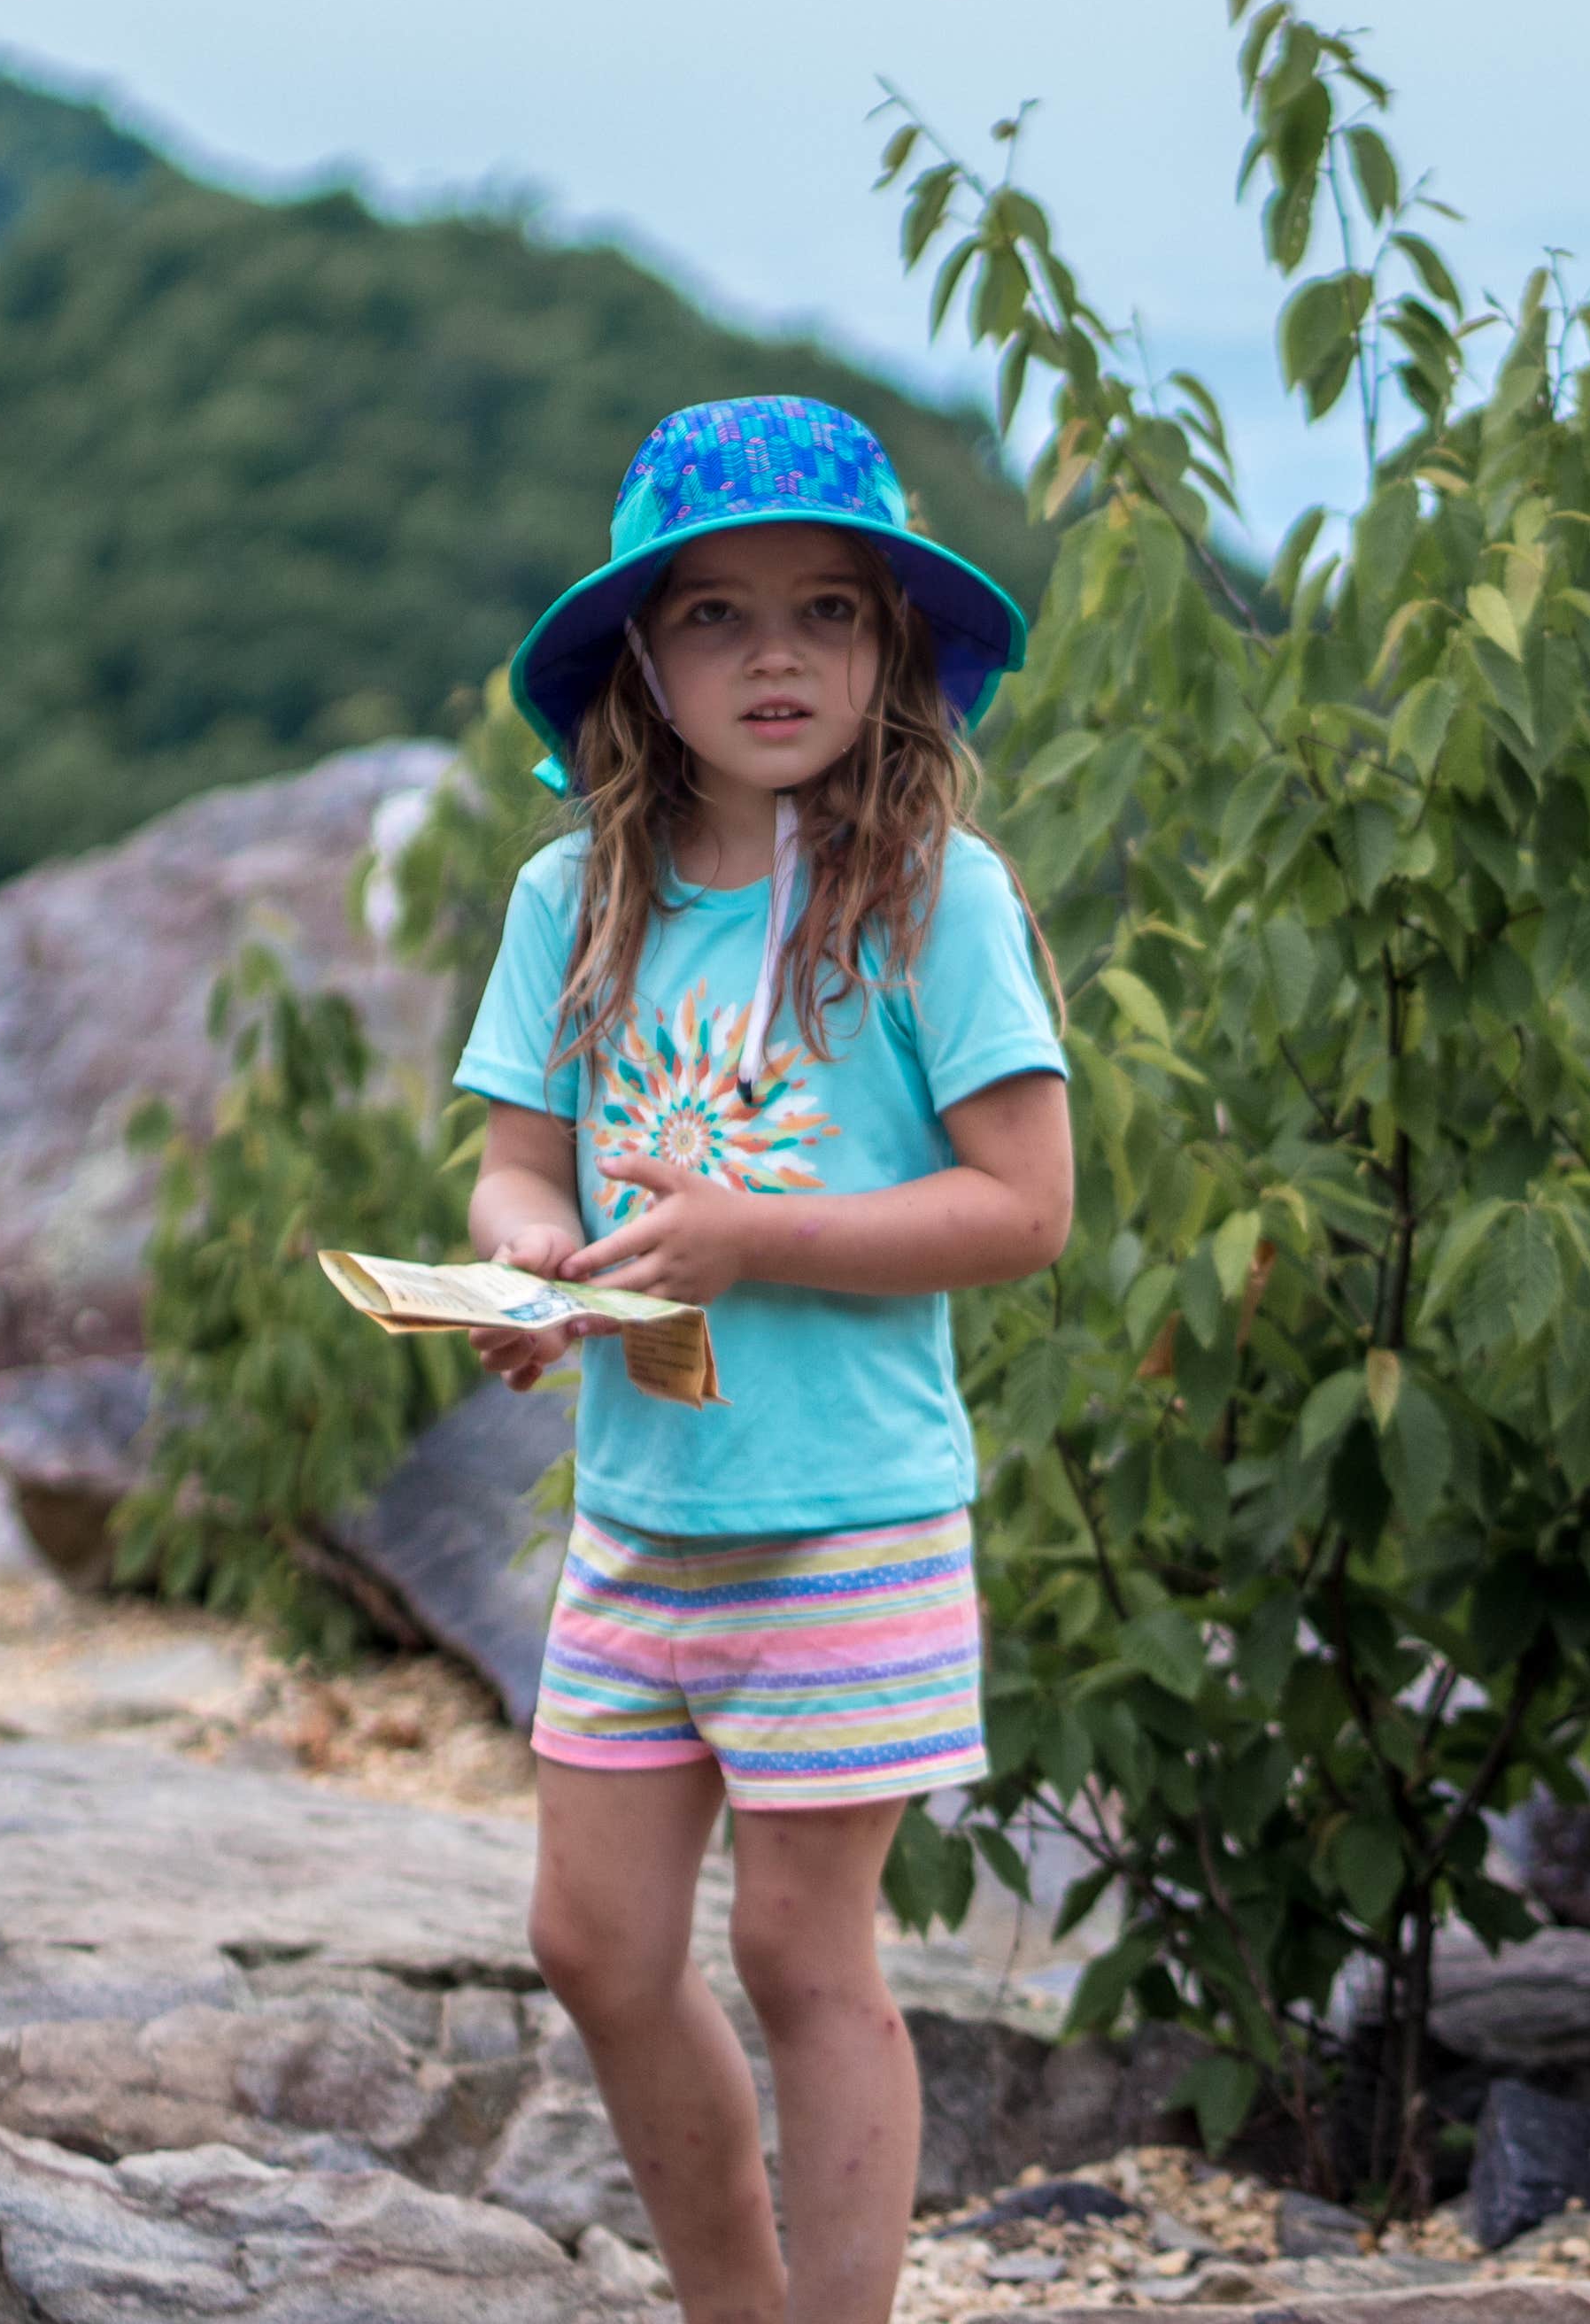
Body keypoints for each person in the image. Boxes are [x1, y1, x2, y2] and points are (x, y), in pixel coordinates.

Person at [455, 393, 1076, 2324]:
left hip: (846, 1518)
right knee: (593, 1945)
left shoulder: (935, 894)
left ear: (892, 646)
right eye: (714, 614)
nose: (775, 655)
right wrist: (530, 1266)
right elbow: (515, 1164)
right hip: (642, 1513)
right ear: (640, 655)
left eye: (826, 609)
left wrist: (751, 1237)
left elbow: (1025, 1209)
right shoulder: (573, 894)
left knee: (807, 1956)